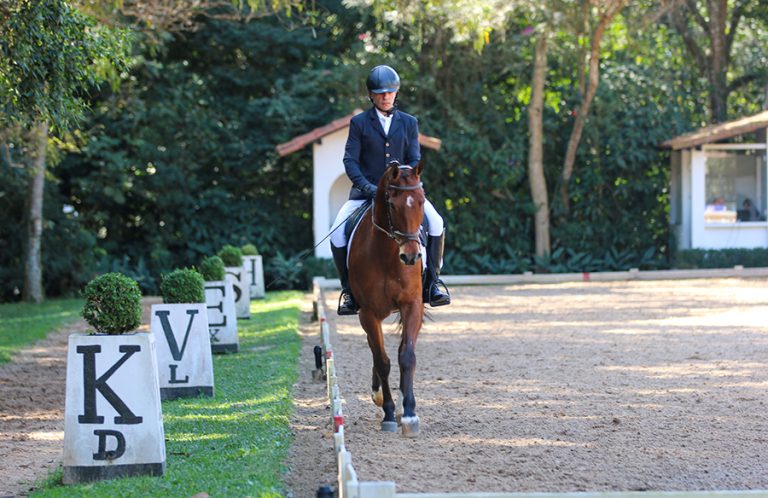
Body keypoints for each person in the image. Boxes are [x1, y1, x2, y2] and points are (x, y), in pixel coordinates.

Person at [329, 64, 451, 315]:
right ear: (371, 95)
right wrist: (367, 187)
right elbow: (350, 160)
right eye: (380, 92)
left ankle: (433, 283)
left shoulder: (409, 123)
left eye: (390, 92)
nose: (385, 96)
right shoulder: (360, 123)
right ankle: (349, 292)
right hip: (365, 194)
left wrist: (402, 186)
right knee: (336, 231)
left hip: (403, 193)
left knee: (436, 222)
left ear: (396, 93)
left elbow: (414, 156)